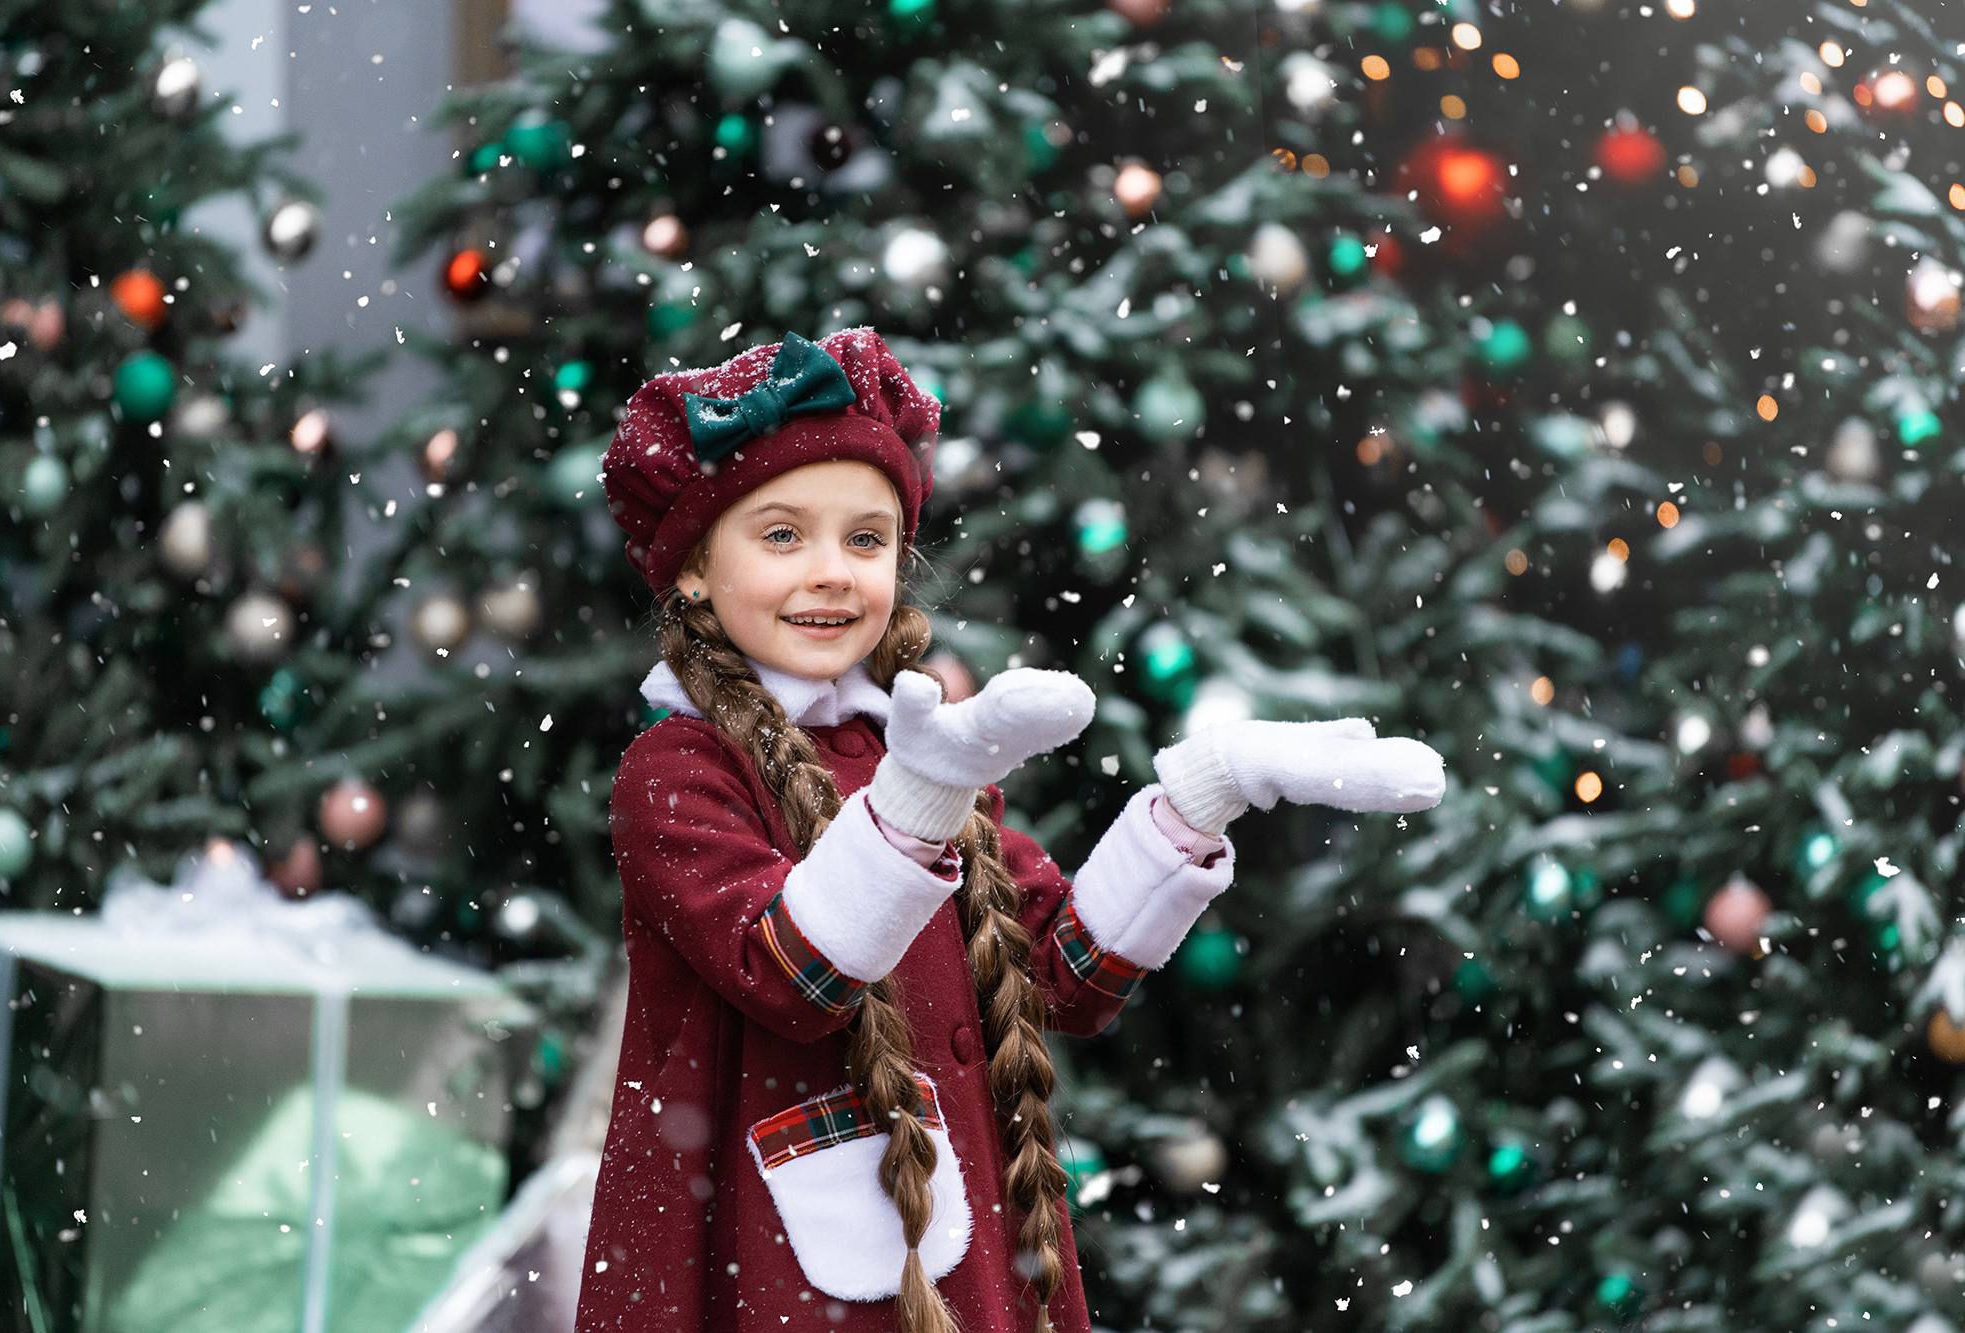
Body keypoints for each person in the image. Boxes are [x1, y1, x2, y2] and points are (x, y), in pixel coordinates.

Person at [576, 327, 1445, 1333]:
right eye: (781, 535)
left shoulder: (912, 749)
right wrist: (922, 792)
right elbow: (792, 972)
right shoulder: (679, 768)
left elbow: (1065, 973)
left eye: (864, 540)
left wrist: (1204, 791)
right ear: (689, 570)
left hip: (970, 1262)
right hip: (783, 1281)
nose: (830, 572)